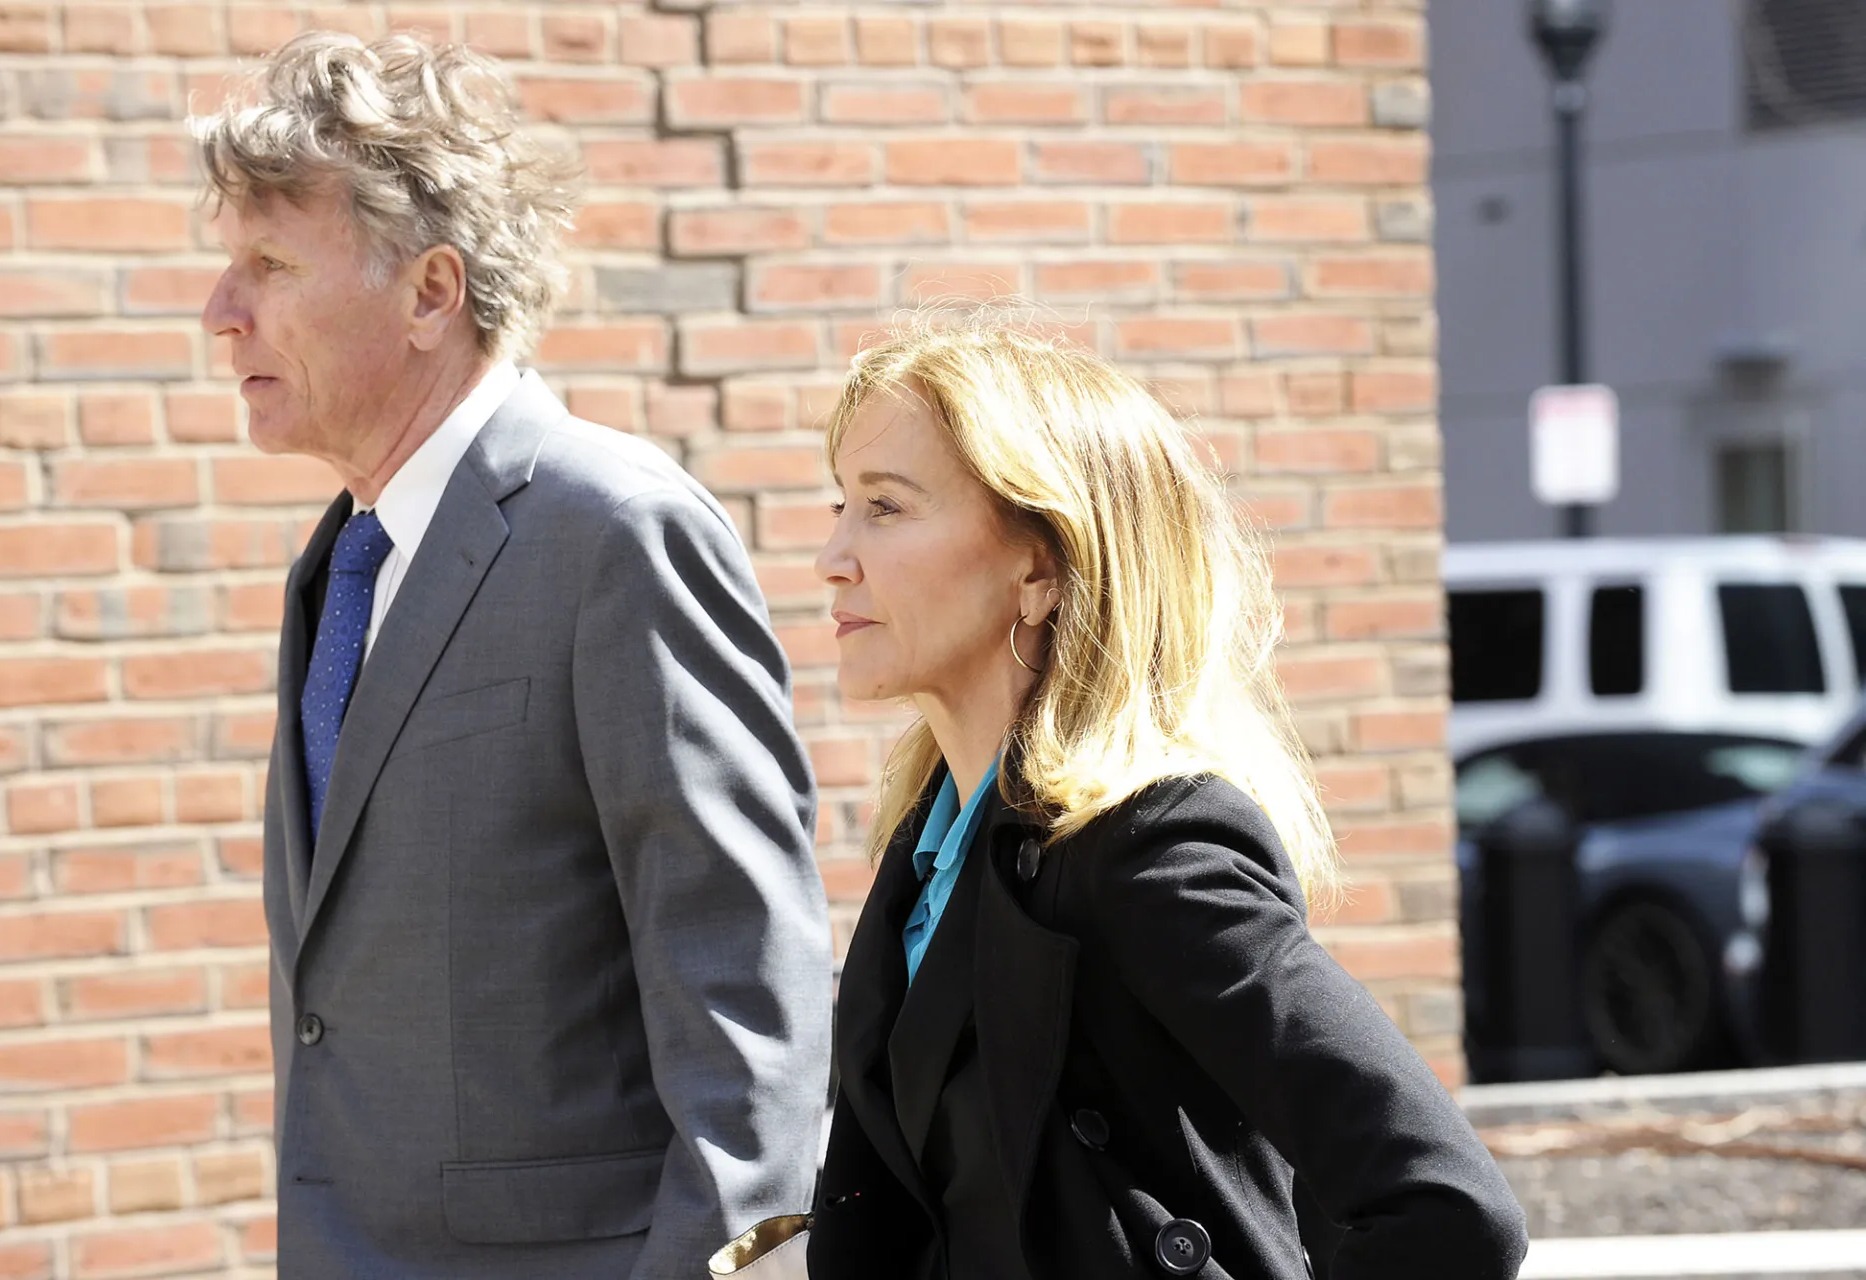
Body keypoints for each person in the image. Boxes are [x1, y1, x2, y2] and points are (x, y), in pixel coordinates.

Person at [193, 33, 831, 1279]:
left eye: (268, 264)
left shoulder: (615, 530)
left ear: (431, 292)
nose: (222, 311)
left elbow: (745, 1004)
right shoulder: (342, 561)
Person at [806, 317, 1528, 1280]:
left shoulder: (1151, 846)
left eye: (886, 507)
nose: (833, 556)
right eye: (841, 504)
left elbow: (1448, 1210)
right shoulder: (930, 845)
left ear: (1040, 567)